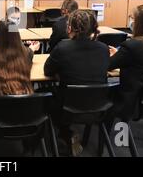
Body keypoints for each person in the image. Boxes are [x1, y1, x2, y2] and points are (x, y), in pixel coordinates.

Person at [44, 10, 109, 156]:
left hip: (67, 108)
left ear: (69, 28)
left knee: (44, 95)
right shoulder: (104, 49)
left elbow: (47, 71)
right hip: (99, 106)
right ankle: (67, 132)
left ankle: (65, 133)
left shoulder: (62, 47)